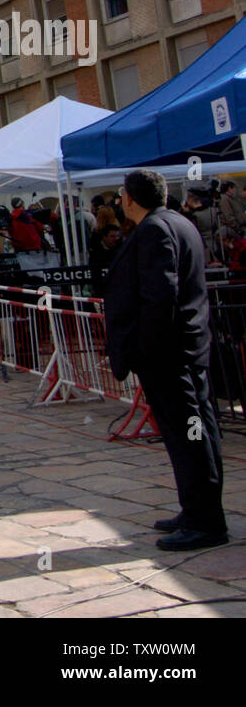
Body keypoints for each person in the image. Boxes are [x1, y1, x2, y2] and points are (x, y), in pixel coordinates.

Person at [103, 170, 229, 551]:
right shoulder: (177, 222)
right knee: (193, 431)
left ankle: (206, 521)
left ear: (129, 198)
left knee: (190, 433)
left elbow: (161, 295)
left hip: (171, 355)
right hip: (184, 350)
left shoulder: (156, 229)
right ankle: (195, 509)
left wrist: (147, 347)